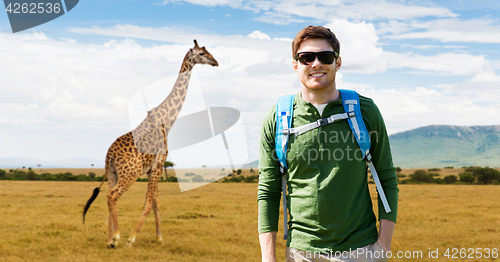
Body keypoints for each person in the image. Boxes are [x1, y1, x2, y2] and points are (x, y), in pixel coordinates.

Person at [257, 25, 399, 262]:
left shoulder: (365, 111)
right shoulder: (277, 118)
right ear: (295, 65)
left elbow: (386, 179)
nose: (316, 63)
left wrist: (382, 247)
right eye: (306, 58)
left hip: (360, 249)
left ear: (338, 63)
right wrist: (268, 258)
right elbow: (268, 192)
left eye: (325, 57)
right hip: (301, 252)